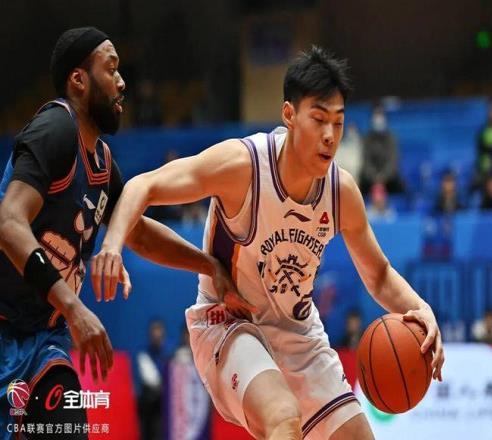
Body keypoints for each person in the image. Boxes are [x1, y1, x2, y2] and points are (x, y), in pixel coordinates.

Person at [93, 46, 444, 440]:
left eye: (338, 122)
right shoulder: (243, 166)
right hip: (228, 322)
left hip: (298, 334)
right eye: (319, 119)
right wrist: (111, 246)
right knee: (282, 415)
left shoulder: (341, 191)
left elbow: (377, 275)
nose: (330, 136)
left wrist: (419, 308)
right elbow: (144, 185)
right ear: (289, 115)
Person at [0, 27, 238, 437]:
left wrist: (208, 265)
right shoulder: (55, 128)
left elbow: (138, 233)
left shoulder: (101, 161)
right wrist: (74, 308)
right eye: (111, 69)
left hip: (42, 339)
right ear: (79, 80)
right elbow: (8, 223)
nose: (122, 82)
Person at [360, 105, 405, 194]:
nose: (378, 119)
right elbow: (366, 162)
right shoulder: (367, 139)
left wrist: (382, 178)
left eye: (380, 115)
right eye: (376, 116)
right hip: (370, 178)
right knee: (359, 186)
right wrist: (375, 178)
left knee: (400, 185)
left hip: (389, 178)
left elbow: (393, 161)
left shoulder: (391, 138)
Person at [137, 319, 169, 440]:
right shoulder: (143, 354)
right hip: (148, 403)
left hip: (164, 404)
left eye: (159, 331)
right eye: (154, 331)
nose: (156, 335)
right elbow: (150, 379)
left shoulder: (169, 354)